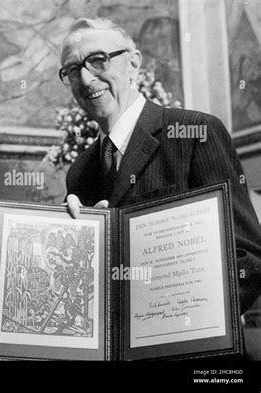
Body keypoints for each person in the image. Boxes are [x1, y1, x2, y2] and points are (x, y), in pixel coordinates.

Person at [60, 18, 261, 315]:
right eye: (73, 70)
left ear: (133, 63)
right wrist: (72, 240)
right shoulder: (80, 169)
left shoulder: (195, 132)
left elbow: (247, 260)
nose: (87, 79)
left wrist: (174, 317)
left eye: (98, 61)